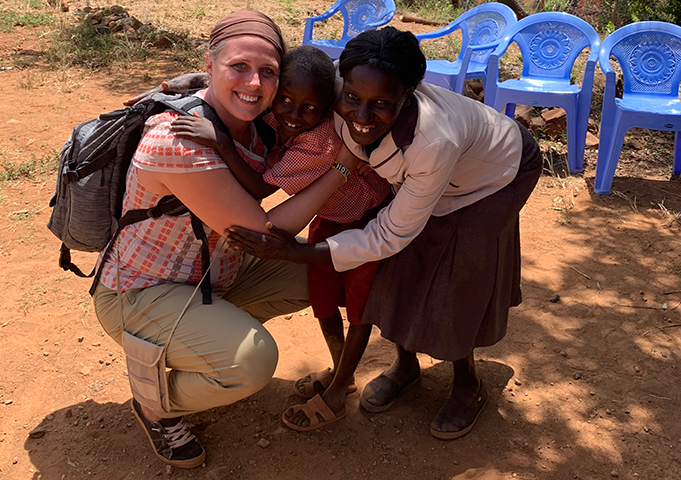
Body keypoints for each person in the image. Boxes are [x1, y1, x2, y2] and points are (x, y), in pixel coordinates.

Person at [225, 26, 542, 440]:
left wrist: (298, 253)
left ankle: (467, 384)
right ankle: (406, 366)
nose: (360, 116)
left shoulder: (433, 141)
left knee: (456, 275)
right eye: (352, 99)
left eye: (381, 105)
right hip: (433, 180)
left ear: (408, 94)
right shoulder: (345, 80)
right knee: (398, 270)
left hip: (497, 174)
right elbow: (278, 91)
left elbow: (386, 236)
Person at [92, 10, 359, 468]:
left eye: (268, 73)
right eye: (239, 67)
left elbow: (327, 92)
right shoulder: (178, 140)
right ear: (211, 63)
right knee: (252, 362)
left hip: (213, 272)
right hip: (139, 290)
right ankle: (155, 402)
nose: (254, 84)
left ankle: (205, 337)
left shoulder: (261, 117)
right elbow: (265, 234)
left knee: (319, 277)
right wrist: (343, 168)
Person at [169, 45, 391, 431]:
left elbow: (259, 186)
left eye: (309, 108)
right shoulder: (281, 116)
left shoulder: (318, 143)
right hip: (329, 217)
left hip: (366, 223)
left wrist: (220, 141)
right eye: (285, 100)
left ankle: (338, 390)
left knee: (358, 309)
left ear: (327, 109)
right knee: (322, 301)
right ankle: (342, 371)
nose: (292, 114)